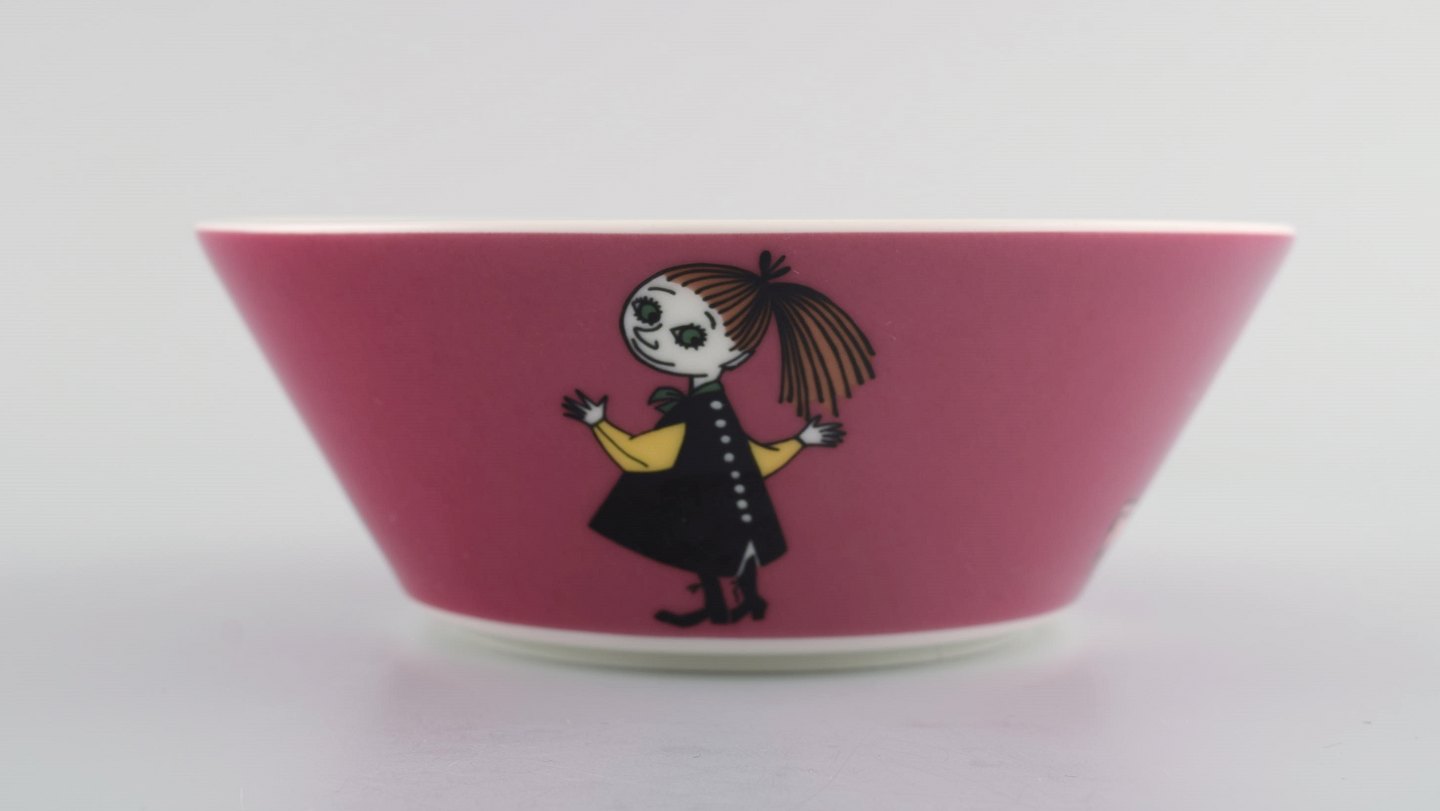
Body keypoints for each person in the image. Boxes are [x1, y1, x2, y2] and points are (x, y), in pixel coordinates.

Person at [563, 251, 876, 627]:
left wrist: (598, 424)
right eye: (648, 312)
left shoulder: (699, 410)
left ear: (738, 356)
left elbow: (641, 458)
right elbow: (750, 456)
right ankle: (736, 605)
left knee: (710, 551)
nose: (651, 335)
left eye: (690, 336)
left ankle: (735, 605)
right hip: (731, 507)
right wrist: (800, 441)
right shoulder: (710, 406)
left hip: (714, 507)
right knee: (720, 553)